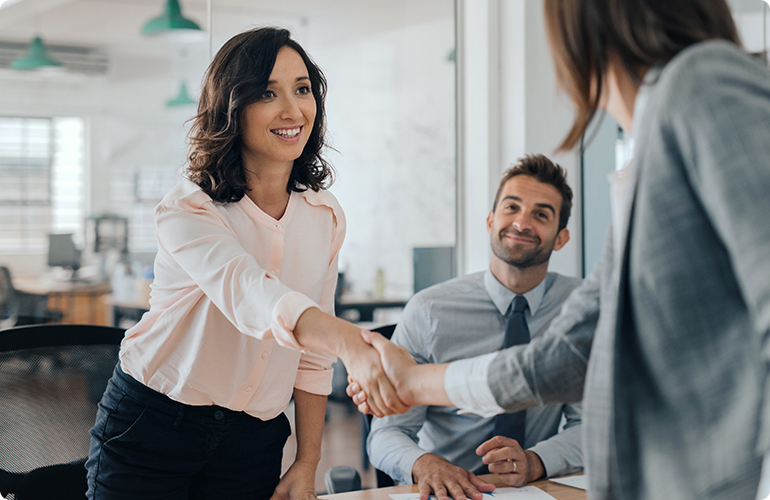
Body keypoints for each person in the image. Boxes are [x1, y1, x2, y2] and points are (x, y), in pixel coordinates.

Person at [349, 1, 770, 499]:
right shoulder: (644, 166)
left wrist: (413, 382)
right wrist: (415, 384)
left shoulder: (704, 80)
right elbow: (568, 357)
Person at [85, 27, 405, 500]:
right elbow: (250, 294)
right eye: (268, 93)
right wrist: (355, 345)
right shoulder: (189, 208)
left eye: (302, 89)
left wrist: (309, 457)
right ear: (232, 108)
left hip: (253, 439)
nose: (293, 110)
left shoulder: (324, 214)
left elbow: (311, 356)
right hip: (154, 424)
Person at [367, 155, 583, 500]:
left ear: (561, 238)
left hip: (535, 489)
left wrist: (535, 461)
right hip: (445, 490)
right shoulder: (429, 311)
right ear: (490, 221)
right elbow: (386, 433)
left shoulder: (580, 308)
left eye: (541, 215)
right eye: (511, 207)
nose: (522, 223)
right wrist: (425, 464)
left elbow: (593, 423)